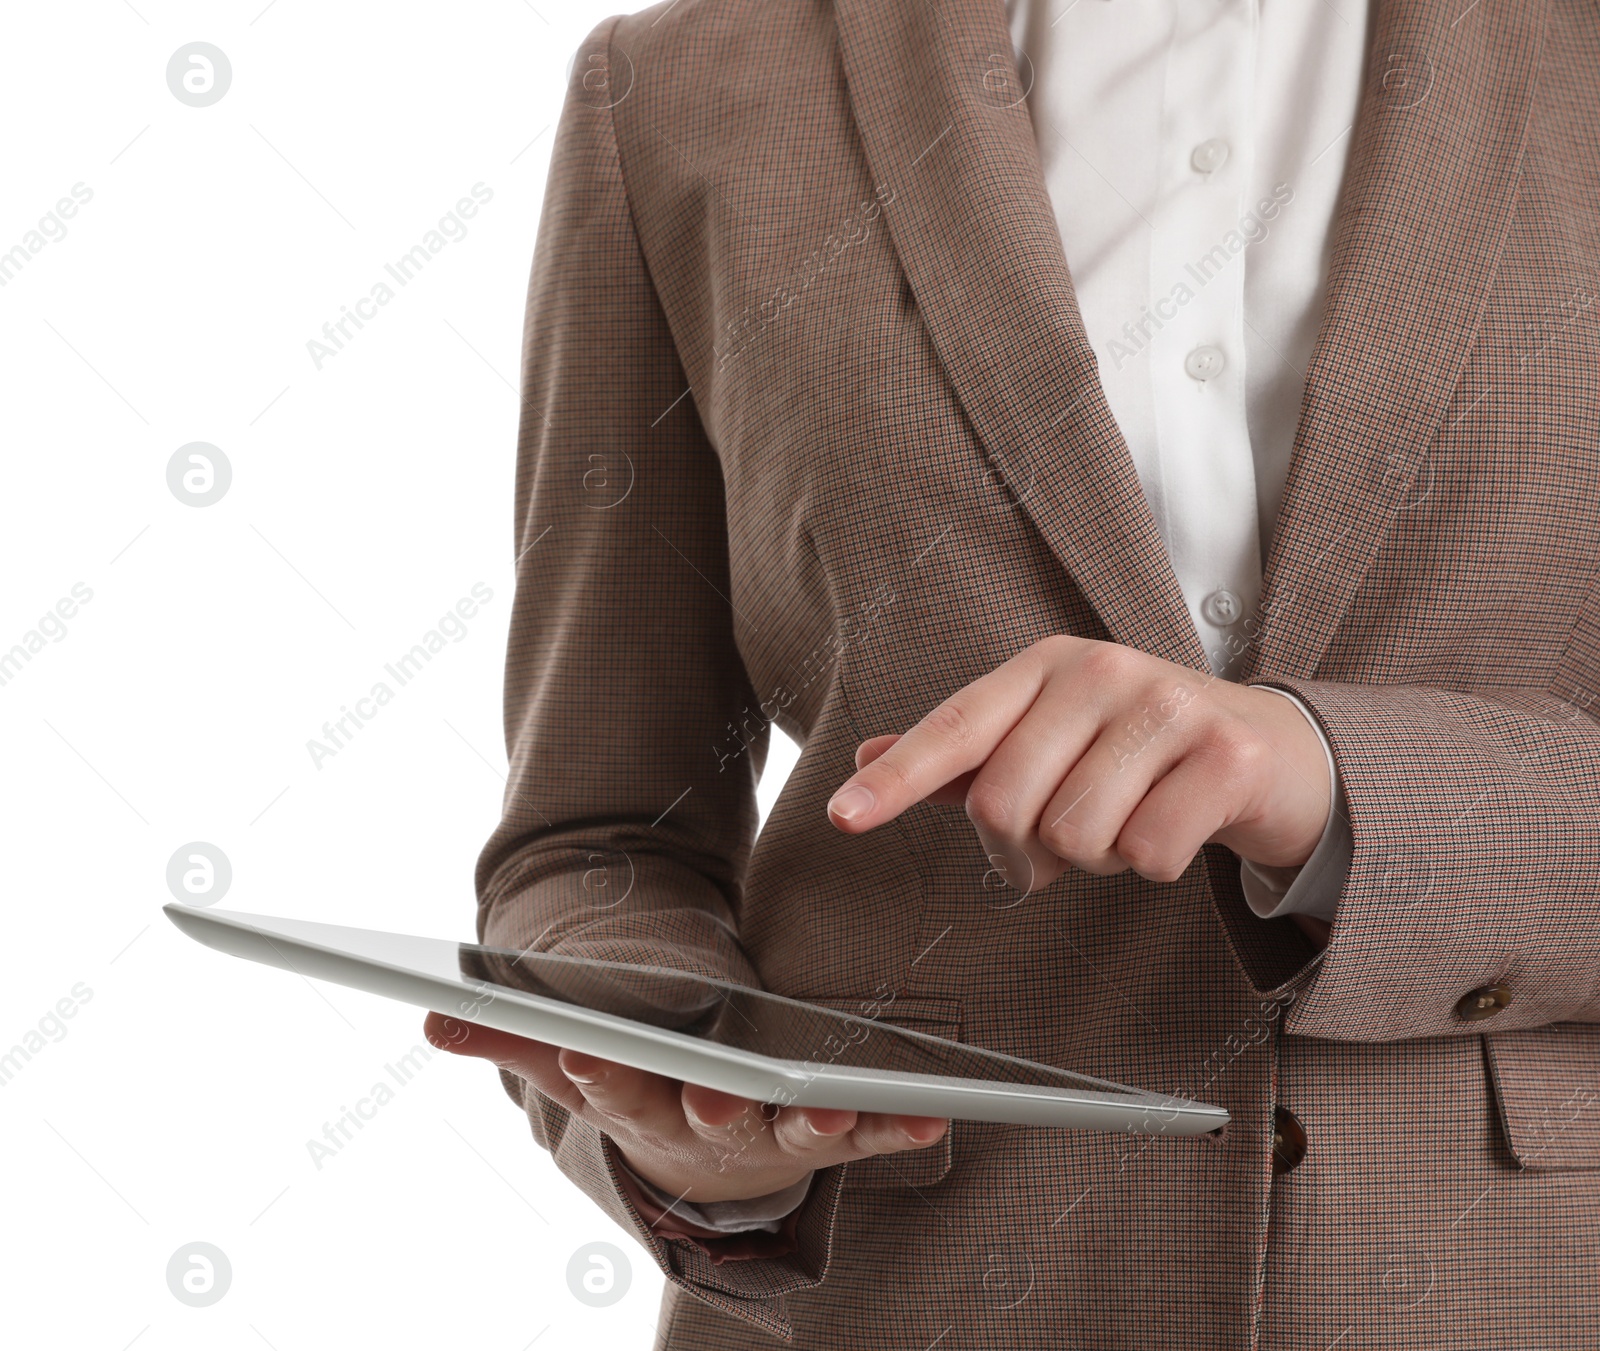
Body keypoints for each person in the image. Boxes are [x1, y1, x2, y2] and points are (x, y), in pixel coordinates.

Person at [424, 0, 1600, 1344]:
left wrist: (1335, 783)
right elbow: (596, 843)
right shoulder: (685, 84)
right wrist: (682, 1135)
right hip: (907, 1300)